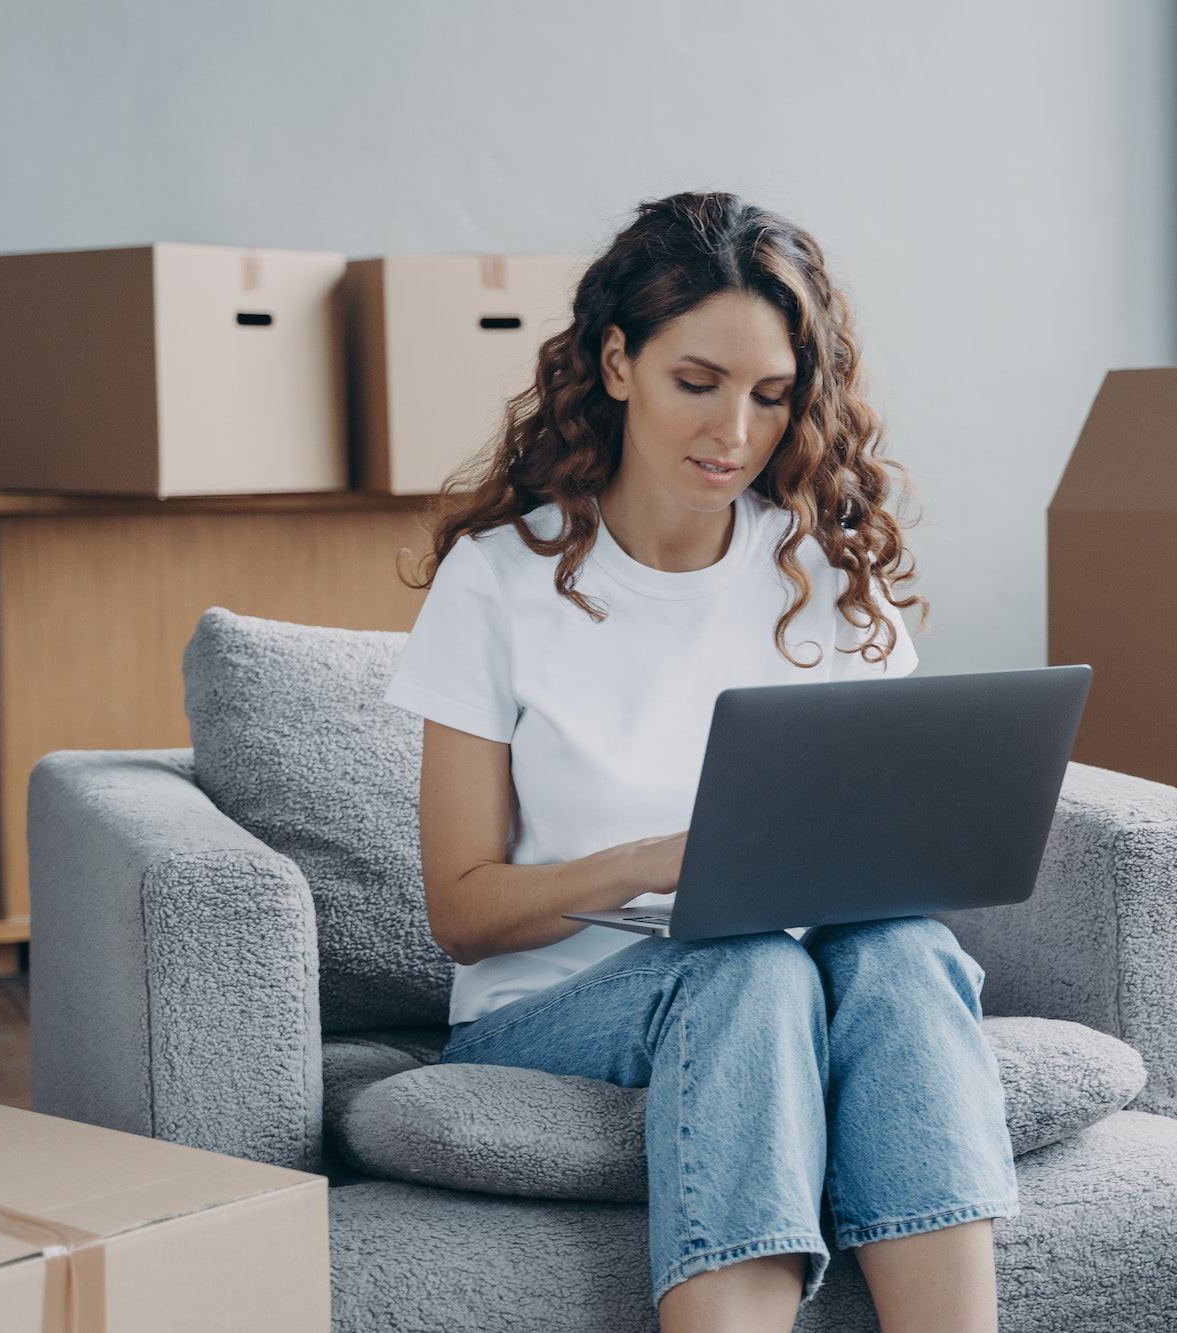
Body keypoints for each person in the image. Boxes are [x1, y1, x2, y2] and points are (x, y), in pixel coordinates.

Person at [384, 193, 1017, 1333]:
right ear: (617, 362)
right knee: (745, 968)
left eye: (771, 396)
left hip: (793, 968)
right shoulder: (498, 582)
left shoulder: (824, 573)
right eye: (697, 382)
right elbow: (462, 913)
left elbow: (897, 835)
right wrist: (652, 863)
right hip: (556, 1001)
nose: (734, 430)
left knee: (907, 951)